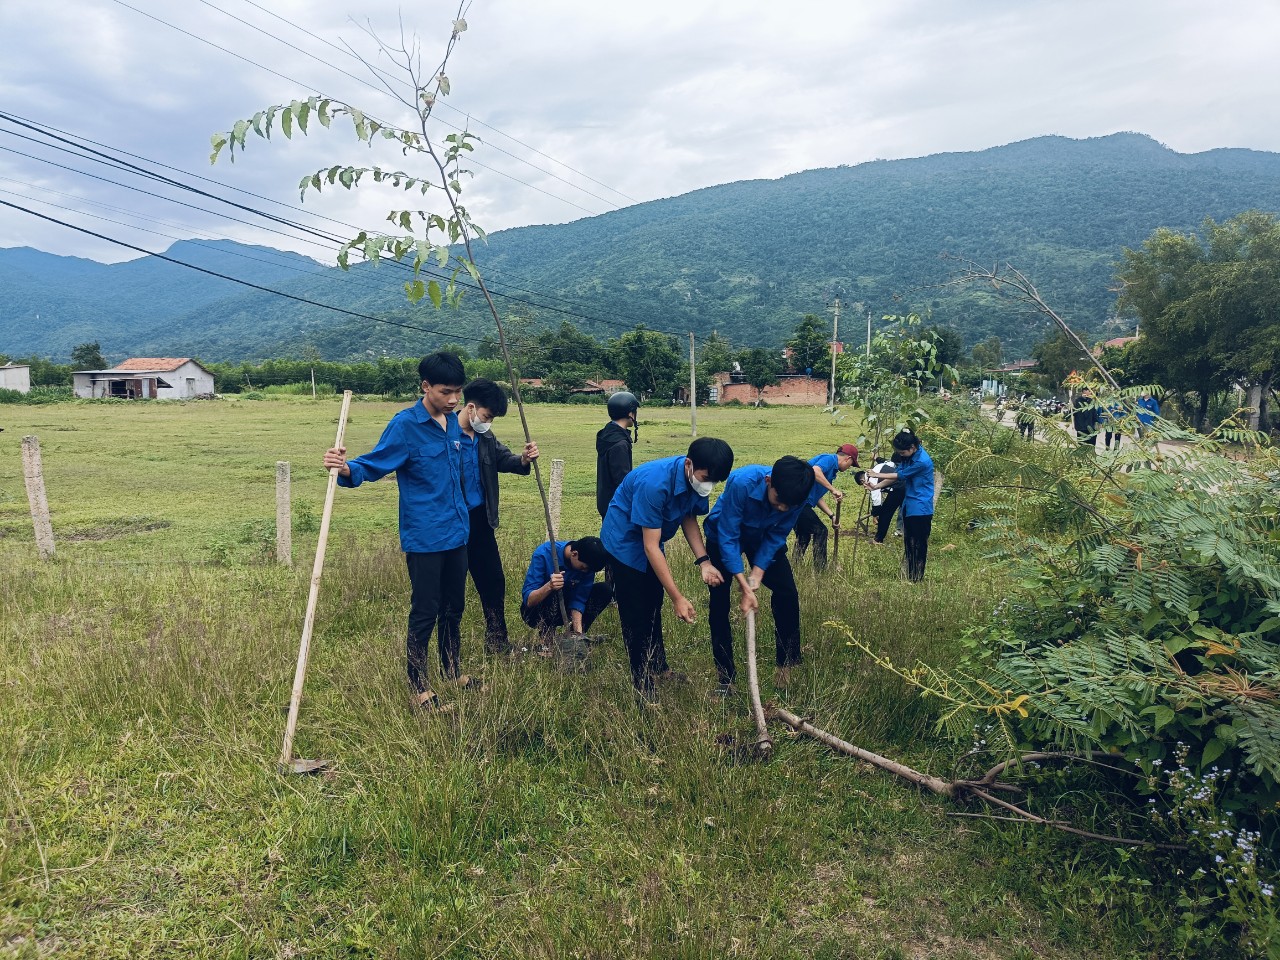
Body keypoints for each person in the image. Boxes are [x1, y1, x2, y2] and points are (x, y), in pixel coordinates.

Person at [322, 352, 472, 712]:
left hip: (458, 531)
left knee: (455, 607)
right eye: (445, 392)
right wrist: (344, 468)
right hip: (425, 536)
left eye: (457, 392)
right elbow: (374, 463)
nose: (453, 400)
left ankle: (452, 671)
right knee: (426, 608)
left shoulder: (453, 424)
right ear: (425, 387)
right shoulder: (405, 426)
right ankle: (419, 685)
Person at [600, 436, 734, 702]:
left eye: (714, 481)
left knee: (653, 602)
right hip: (625, 544)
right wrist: (678, 597)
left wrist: (704, 561)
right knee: (635, 613)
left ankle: (659, 668)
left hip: (651, 541)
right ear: (688, 464)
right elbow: (649, 546)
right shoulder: (654, 484)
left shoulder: (694, 482)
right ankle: (642, 684)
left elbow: (688, 517)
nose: (708, 484)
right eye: (706, 477)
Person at [703, 456, 815, 695]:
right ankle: (726, 677)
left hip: (765, 536)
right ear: (768, 481)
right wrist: (744, 586)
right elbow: (728, 535)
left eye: (790, 505)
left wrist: (756, 575)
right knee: (719, 601)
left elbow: (778, 535)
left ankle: (786, 666)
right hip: (724, 534)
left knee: (787, 592)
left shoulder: (798, 493)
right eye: (779, 501)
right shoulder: (742, 482)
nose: (783, 508)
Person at [457, 377, 539, 655]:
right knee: (451, 588)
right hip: (452, 522)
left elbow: (504, 459)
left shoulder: (485, 437)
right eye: (487, 416)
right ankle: (449, 648)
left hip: (481, 520)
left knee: (493, 581)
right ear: (470, 408)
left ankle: (497, 640)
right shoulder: (443, 436)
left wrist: (524, 459)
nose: (488, 422)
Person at [866, 431, 935, 582]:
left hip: (921, 507)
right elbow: (897, 475)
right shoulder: (909, 456)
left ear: (912, 447)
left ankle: (917, 578)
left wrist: (877, 475)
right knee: (909, 543)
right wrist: (876, 487)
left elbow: (900, 476)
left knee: (919, 545)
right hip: (909, 505)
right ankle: (911, 576)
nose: (901, 455)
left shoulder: (921, 461)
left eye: (903, 452)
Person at [520, 535, 613, 637]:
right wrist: (549, 586)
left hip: (567, 607)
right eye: (583, 568)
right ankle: (547, 637)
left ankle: (575, 637)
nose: (585, 572)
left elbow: (579, 599)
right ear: (574, 554)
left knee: (604, 590)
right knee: (556, 587)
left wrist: (578, 632)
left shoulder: (587, 564)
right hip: (536, 611)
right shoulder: (544, 553)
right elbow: (529, 601)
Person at [793, 443, 859, 570]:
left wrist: (832, 516)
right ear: (848, 458)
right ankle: (821, 569)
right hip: (798, 501)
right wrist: (833, 490)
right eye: (851, 464)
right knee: (821, 530)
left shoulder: (830, 471)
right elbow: (815, 471)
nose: (849, 467)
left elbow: (816, 496)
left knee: (804, 535)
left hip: (799, 501)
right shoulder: (830, 459)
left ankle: (795, 568)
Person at [596, 391, 639, 520]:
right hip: (617, 507)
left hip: (606, 501)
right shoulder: (619, 444)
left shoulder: (607, 434)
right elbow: (622, 480)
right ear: (630, 413)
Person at [867, 451, 906, 545]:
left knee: (886, 513)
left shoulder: (871, 477)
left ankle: (878, 539)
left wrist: (875, 514)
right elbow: (886, 461)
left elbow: (876, 498)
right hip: (907, 485)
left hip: (899, 487)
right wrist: (876, 458)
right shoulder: (884, 465)